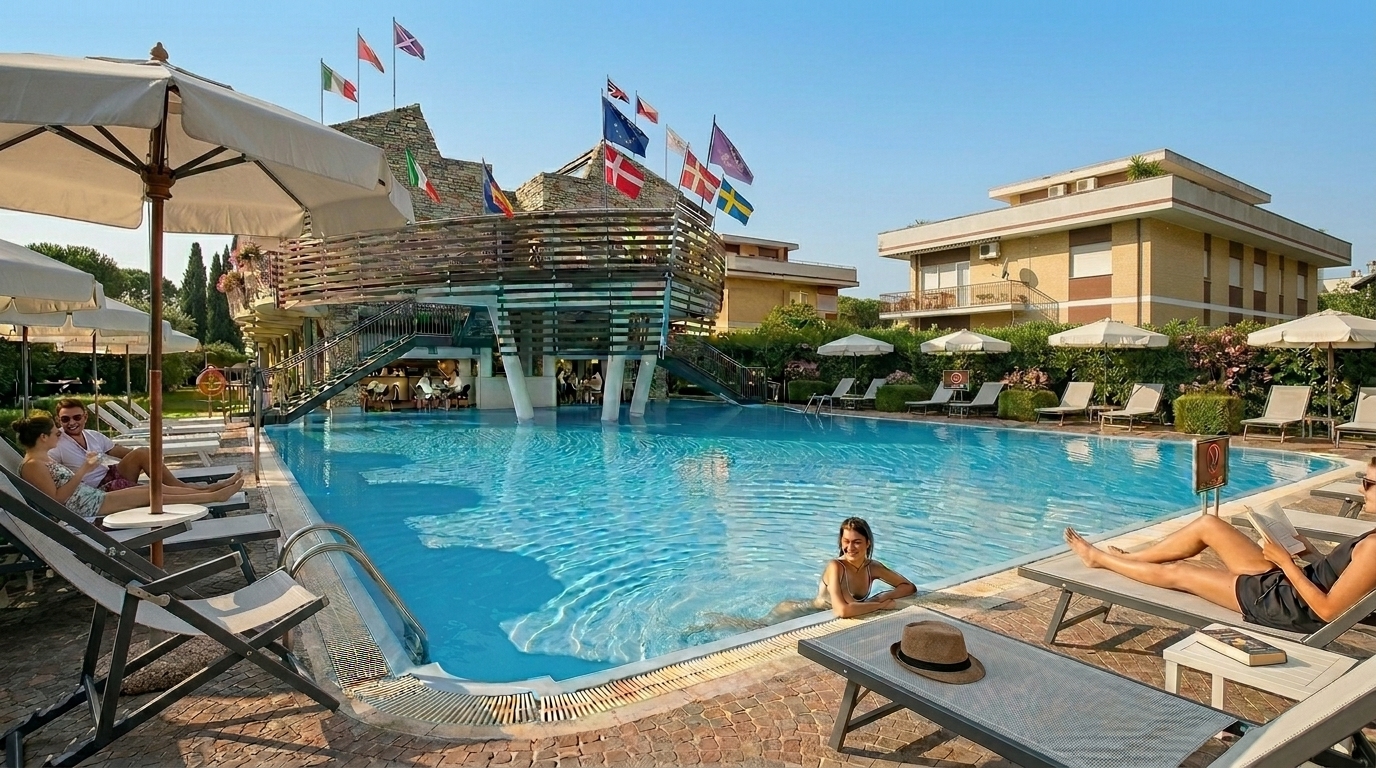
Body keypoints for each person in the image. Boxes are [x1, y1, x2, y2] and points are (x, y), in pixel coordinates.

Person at [1063, 458, 1376, 634]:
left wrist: (1287, 563)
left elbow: (1328, 610)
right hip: (1290, 585)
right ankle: (1136, 557)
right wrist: (1308, 552)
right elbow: (1344, 579)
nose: (1362, 489)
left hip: (1285, 605)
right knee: (1208, 525)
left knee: (1180, 573)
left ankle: (1099, 559)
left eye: (1369, 483)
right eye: (1364, 480)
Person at [685, 517, 916, 637]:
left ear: (867, 543)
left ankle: (713, 621)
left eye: (857, 542)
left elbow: (908, 587)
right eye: (846, 541)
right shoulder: (836, 567)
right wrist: (880, 605)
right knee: (754, 629)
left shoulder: (872, 567)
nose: (850, 547)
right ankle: (710, 622)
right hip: (796, 611)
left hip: (814, 611)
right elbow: (842, 611)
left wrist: (883, 595)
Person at [12, 416, 245, 521]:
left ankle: (210, 492)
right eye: (55, 432)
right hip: (86, 507)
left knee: (153, 488)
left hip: (93, 497)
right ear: (43, 437)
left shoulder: (43, 459)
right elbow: (57, 500)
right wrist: (83, 469)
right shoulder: (33, 466)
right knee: (148, 494)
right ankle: (214, 496)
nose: (59, 434)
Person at [48, 399, 240, 493]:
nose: (71, 422)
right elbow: (46, 469)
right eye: (65, 419)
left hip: (109, 475)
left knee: (143, 453)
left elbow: (123, 453)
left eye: (76, 417)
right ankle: (208, 490)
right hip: (95, 490)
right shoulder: (56, 444)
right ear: (59, 420)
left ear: (85, 417)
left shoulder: (93, 436)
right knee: (153, 491)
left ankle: (190, 488)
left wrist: (152, 461)